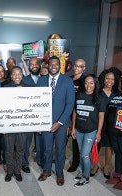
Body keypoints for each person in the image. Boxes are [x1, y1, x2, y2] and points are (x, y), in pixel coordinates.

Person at [37, 56, 75, 186]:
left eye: (56, 64)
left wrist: (59, 122)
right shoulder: (41, 80)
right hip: (45, 122)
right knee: (47, 148)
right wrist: (38, 122)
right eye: (51, 64)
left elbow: (70, 104)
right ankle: (46, 171)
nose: (53, 66)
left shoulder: (67, 81)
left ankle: (59, 173)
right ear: (48, 65)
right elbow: (36, 103)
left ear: (60, 66)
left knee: (60, 149)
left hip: (61, 123)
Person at [71, 74, 106, 187]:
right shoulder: (79, 95)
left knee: (85, 154)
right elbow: (75, 112)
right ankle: (81, 172)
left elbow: (101, 117)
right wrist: (73, 128)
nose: (88, 85)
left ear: (95, 84)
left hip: (91, 130)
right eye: (86, 82)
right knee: (82, 153)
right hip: (79, 129)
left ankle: (86, 177)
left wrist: (99, 132)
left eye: (91, 83)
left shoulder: (99, 98)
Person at [4, 66, 28, 182]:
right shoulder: (5, 88)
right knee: (8, 149)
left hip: (22, 125)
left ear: (22, 76)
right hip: (9, 125)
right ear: (11, 76)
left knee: (20, 149)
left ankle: (17, 171)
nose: (17, 76)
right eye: (14, 74)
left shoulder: (28, 89)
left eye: (19, 74)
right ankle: (9, 171)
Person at [21, 56, 43, 172]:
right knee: (26, 141)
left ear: (39, 65)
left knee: (40, 141)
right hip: (28, 116)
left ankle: (41, 161)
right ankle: (24, 162)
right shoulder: (24, 80)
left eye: (36, 64)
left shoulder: (45, 79)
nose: (34, 66)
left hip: (41, 115)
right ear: (29, 66)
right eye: (31, 64)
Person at [67, 59, 86, 173]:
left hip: (77, 114)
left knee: (75, 141)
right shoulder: (68, 79)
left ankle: (75, 163)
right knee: (62, 139)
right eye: (76, 65)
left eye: (80, 66)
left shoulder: (85, 81)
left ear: (84, 68)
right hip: (66, 113)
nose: (77, 68)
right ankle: (59, 158)